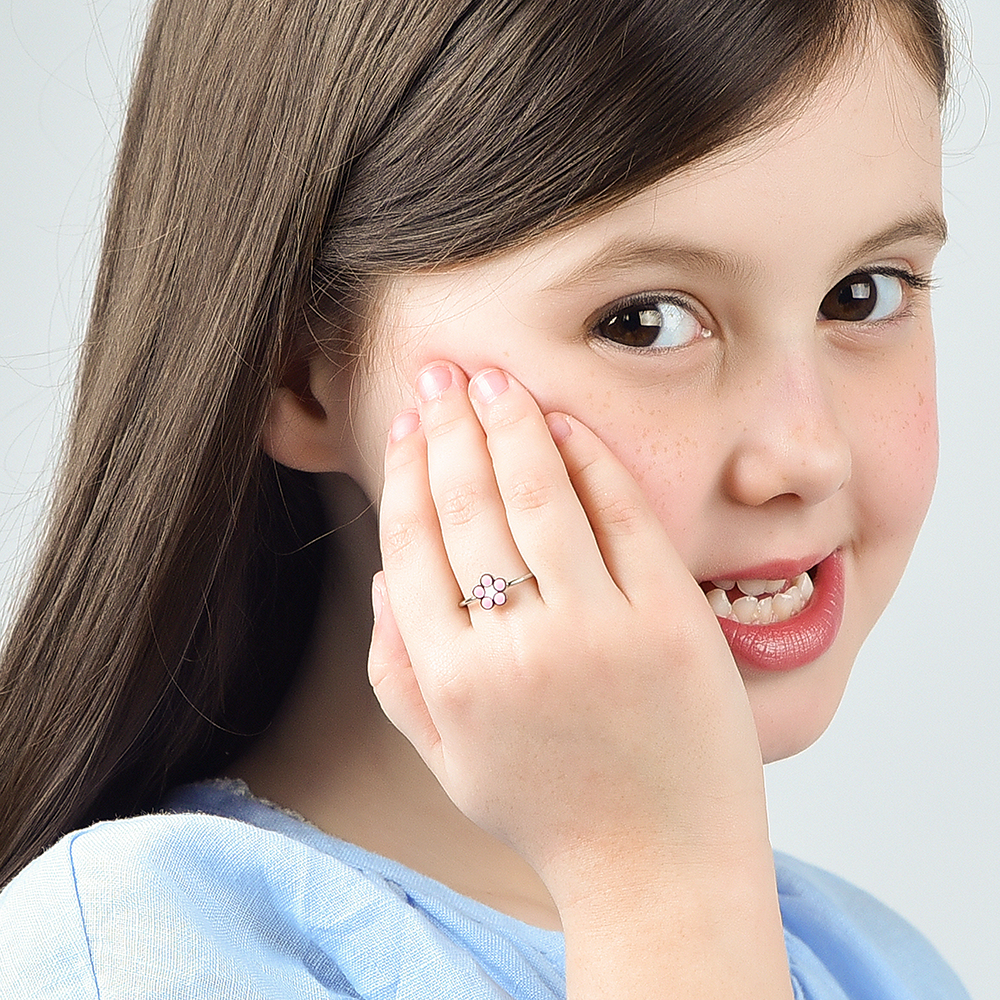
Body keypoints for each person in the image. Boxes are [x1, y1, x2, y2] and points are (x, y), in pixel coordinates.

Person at [0, 0, 974, 996]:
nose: (804, 455)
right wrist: (656, 890)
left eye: (865, 292)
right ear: (296, 369)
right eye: (642, 320)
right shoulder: (130, 953)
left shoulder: (875, 964)